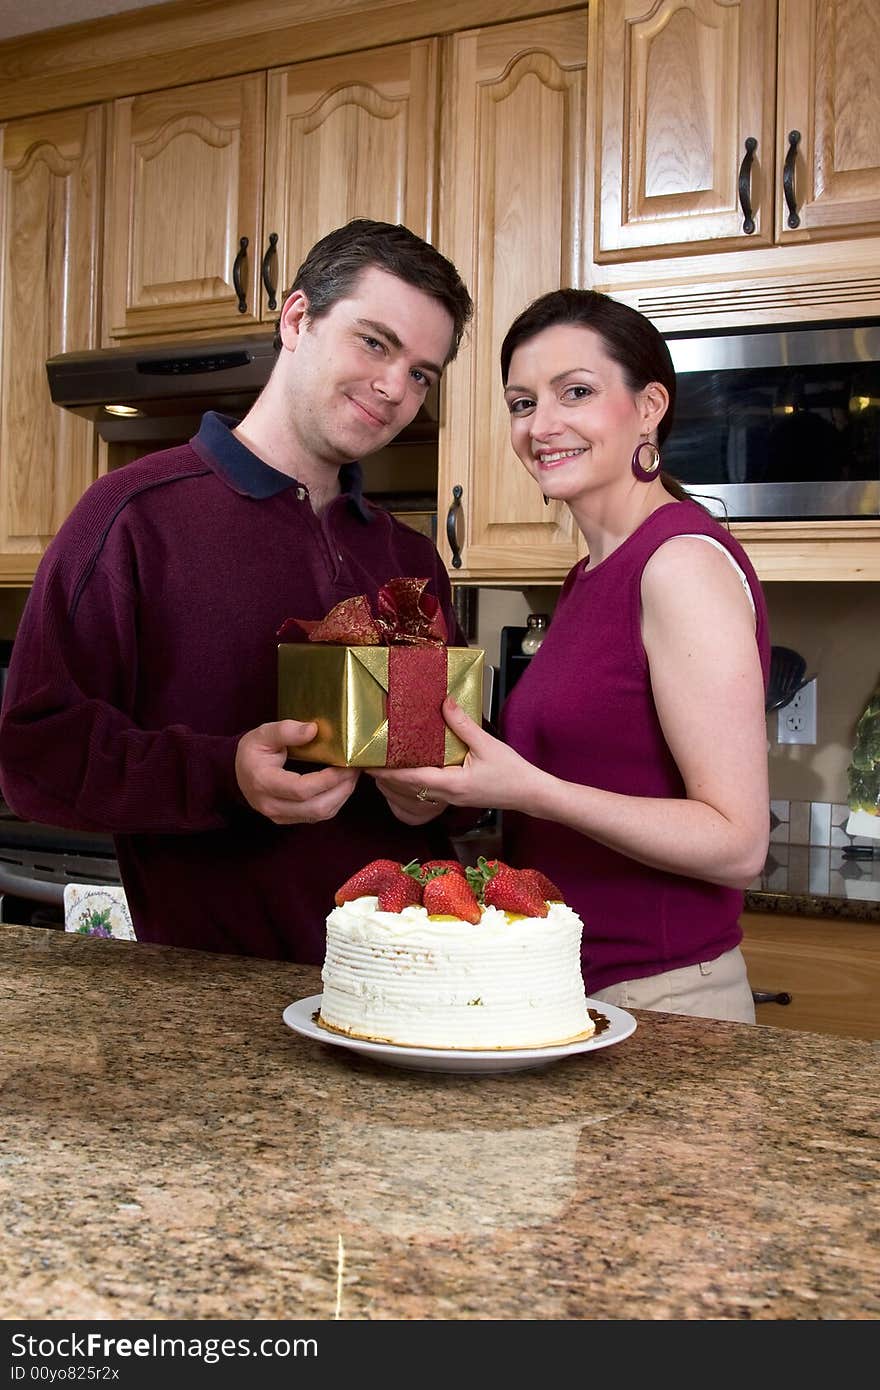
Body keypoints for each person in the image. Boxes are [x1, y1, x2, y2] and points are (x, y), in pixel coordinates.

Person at [0, 219, 474, 962]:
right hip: (213, 1001)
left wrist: (434, 795)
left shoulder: (408, 554)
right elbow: (35, 759)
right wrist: (225, 775)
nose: (394, 388)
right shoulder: (131, 518)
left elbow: (446, 763)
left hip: (406, 987)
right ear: (296, 319)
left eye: (421, 373)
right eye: (374, 343)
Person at [371, 288, 771, 1023]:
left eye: (575, 393)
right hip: (571, 991)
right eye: (522, 404)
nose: (541, 426)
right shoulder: (589, 575)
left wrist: (529, 789)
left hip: (666, 1000)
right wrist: (437, 786)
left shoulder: (678, 563)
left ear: (649, 406)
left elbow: (738, 842)